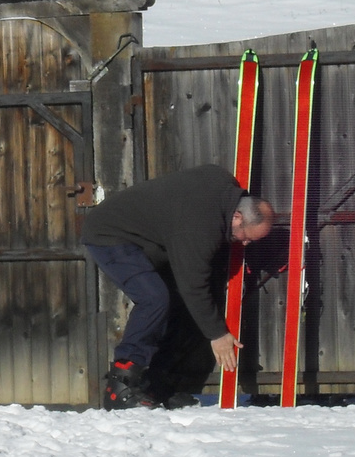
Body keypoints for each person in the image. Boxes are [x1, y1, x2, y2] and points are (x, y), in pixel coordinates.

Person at [82, 164, 275, 408]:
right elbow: (194, 287)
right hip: (109, 234)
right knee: (155, 298)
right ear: (237, 217)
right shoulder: (202, 227)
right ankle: (120, 385)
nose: (245, 244)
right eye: (245, 236)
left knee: (184, 309)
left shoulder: (223, 184)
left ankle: (157, 386)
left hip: (148, 240)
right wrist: (217, 334)